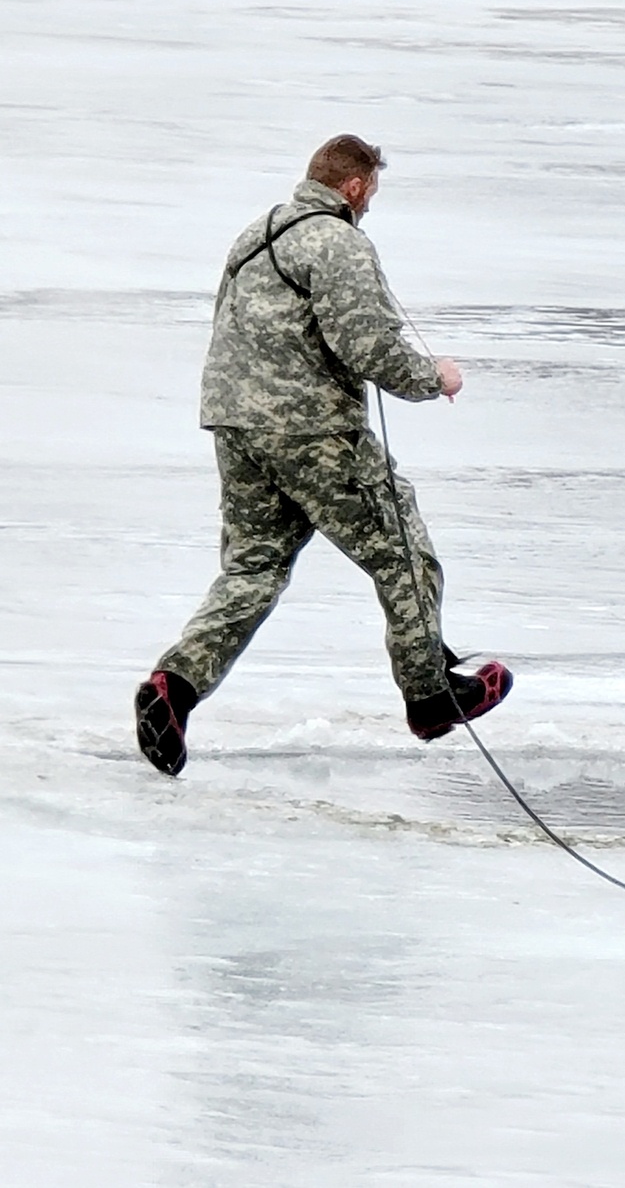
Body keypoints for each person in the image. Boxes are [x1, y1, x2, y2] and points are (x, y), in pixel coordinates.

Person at [135, 134, 512, 776]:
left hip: (235, 424)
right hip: (309, 430)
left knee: (252, 569)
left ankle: (175, 686)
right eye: (372, 195)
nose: (370, 208)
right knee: (402, 552)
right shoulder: (338, 241)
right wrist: (435, 377)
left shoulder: (255, 236)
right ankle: (430, 696)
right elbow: (367, 347)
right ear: (357, 187)